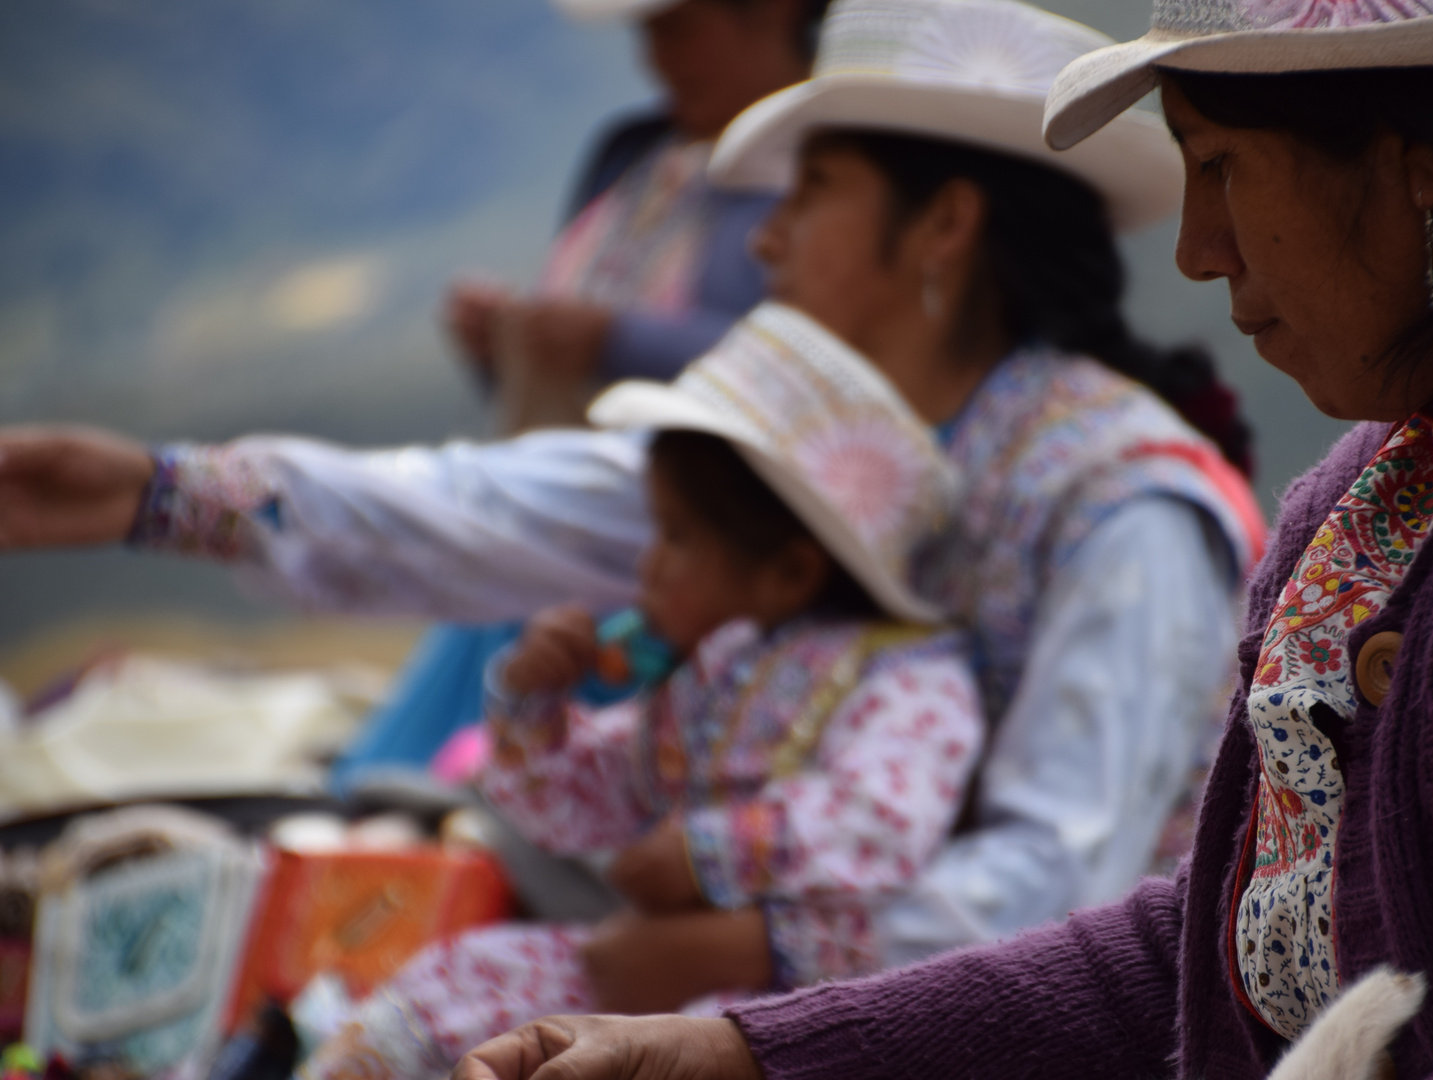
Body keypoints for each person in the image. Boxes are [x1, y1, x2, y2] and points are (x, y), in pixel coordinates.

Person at [444, 1, 1433, 1077]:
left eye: (1221, 164)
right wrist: (742, 1053)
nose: (1198, 249)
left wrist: (750, 964)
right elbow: (1219, 932)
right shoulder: (1386, 480)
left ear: (1417, 163)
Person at [0, 0, 1264, 981]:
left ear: (943, 227)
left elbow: (1063, 879)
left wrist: (752, 956)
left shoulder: (1123, 505)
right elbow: (499, 507)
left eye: (810, 192)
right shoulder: (819, 445)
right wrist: (154, 494)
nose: (765, 240)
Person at [299, 303, 982, 1080]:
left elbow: (880, 821)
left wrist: (705, 852)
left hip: (804, 1006)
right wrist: (532, 709)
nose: (650, 567)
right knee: (453, 980)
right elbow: (605, 795)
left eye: (679, 537)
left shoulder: (910, 679)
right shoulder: (714, 672)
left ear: (790, 569)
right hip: (652, 971)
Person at [343, 0, 829, 787]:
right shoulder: (632, 154)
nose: (656, 57)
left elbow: (805, 363)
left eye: (676, 27)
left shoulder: (823, 173)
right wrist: (503, 348)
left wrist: (617, 338)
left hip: (686, 549)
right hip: (565, 513)